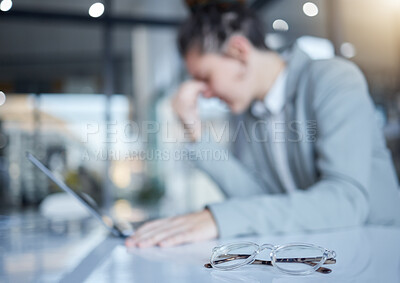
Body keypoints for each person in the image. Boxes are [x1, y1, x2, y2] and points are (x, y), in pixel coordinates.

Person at [125, 0, 400, 248]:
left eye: (206, 77)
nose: (205, 93)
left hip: (378, 251)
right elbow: (257, 199)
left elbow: (346, 202)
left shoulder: (333, 79)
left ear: (239, 52)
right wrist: (194, 131)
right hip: (321, 256)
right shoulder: (249, 114)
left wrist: (221, 219)